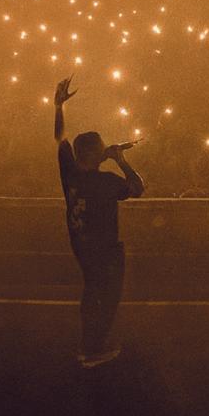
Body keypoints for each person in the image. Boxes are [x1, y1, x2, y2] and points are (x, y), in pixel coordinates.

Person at [54, 75, 144, 367]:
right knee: (108, 296)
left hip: (80, 243)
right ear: (95, 153)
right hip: (104, 249)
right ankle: (94, 348)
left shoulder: (70, 172)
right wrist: (120, 160)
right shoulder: (106, 182)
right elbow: (137, 188)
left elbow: (60, 138)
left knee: (92, 290)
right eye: (102, 147)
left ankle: (88, 344)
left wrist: (59, 107)